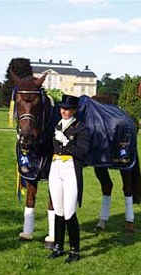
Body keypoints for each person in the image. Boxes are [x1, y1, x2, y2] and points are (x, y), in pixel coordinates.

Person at [48, 94, 90, 263]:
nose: (63, 111)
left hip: (70, 168)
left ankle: (75, 250)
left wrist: (66, 142)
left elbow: (83, 152)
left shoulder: (81, 128)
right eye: (62, 108)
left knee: (69, 211)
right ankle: (58, 246)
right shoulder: (57, 125)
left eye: (67, 109)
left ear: (74, 110)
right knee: (58, 209)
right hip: (55, 167)